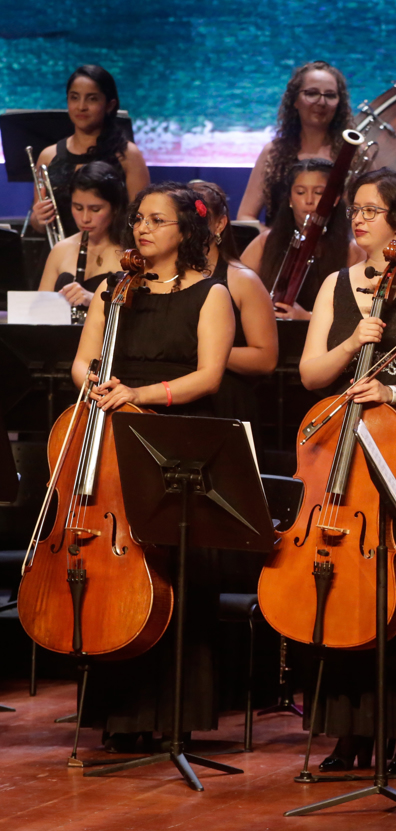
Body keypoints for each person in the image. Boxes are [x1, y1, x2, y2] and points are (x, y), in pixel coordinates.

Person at [298, 167, 396, 773]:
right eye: (356, 208)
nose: (359, 218)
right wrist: (352, 343)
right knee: (349, 582)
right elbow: (313, 376)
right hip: (348, 450)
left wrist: (392, 395)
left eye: (372, 209)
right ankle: (350, 731)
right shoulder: (336, 286)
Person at [73, 183, 235, 749]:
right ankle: (118, 716)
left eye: (157, 220)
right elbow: (83, 363)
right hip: (115, 431)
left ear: (184, 231)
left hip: (175, 435)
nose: (142, 228)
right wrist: (95, 386)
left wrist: (140, 393)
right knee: (117, 572)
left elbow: (208, 377)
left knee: (175, 571)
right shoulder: (110, 291)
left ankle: (172, 715)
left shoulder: (211, 294)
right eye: (139, 218)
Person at [188, 180, 279, 421]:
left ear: (220, 224)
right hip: (175, 394)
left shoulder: (242, 280)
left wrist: (204, 352)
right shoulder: (163, 276)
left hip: (223, 403)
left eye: (199, 218)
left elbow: (266, 359)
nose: (191, 228)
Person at [30, 65, 149, 238]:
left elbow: (141, 220)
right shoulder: (48, 157)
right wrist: (38, 219)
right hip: (60, 258)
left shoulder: (128, 155)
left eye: (92, 99)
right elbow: (40, 225)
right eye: (74, 98)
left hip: (112, 259)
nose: (81, 106)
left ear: (109, 105)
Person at [240, 157, 364, 319]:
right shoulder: (265, 242)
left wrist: (306, 316)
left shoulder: (353, 251)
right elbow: (235, 292)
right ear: (290, 199)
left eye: (319, 193)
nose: (309, 201)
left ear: (334, 200)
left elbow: (357, 314)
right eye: (300, 192)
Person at [237, 61, 351, 222]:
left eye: (330, 95)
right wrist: (271, 241)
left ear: (340, 103)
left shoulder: (353, 153)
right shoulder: (273, 153)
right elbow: (245, 216)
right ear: (295, 100)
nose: (321, 102)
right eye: (312, 93)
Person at [38, 161, 129, 309]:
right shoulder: (60, 250)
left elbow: (141, 312)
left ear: (115, 208)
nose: (85, 218)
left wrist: (94, 299)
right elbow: (39, 312)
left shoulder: (131, 252)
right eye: (78, 207)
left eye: (95, 209)